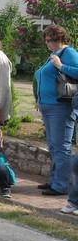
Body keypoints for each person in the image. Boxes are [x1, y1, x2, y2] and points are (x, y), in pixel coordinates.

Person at [34, 24, 78, 196]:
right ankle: (55, 180)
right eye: (46, 40)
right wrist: (40, 99)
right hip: (49, 106)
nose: (48, 43)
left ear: (60, 39)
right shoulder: (54, 55)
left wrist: (61, 66)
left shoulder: (68, 53)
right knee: (53, 146)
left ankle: (62, 185)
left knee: (61, 147)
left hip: (61, 107)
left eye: (50, 40)